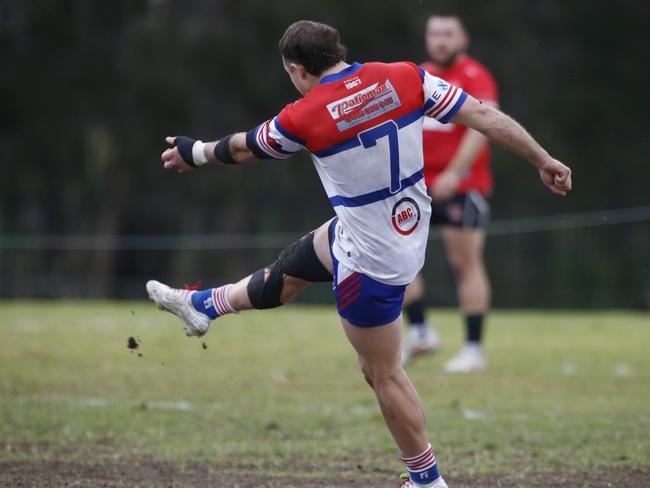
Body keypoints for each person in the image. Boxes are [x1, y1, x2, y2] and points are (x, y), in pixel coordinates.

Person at [146, 20, 572, 488]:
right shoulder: (406, 76)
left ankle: (427, 480)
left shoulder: (305, 115)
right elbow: (485, 117)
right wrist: (543, 159)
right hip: (401, 226)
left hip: (373, 259)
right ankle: (206, 305)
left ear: (296, 68)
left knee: (382, 374)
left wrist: (196, 152)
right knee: (299, 263)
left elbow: (245, 148)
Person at [401, 14, 499, 372]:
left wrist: (454, 174)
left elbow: (483, 128)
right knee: (397, 257)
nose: (440, 40)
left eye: (448, 34)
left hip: (464, 187)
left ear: (463, 38)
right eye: (434, 34)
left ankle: (473, 349)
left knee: (464, 263)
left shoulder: (476, 76)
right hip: (417, 187)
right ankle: (421, 332)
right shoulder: (417, 76)